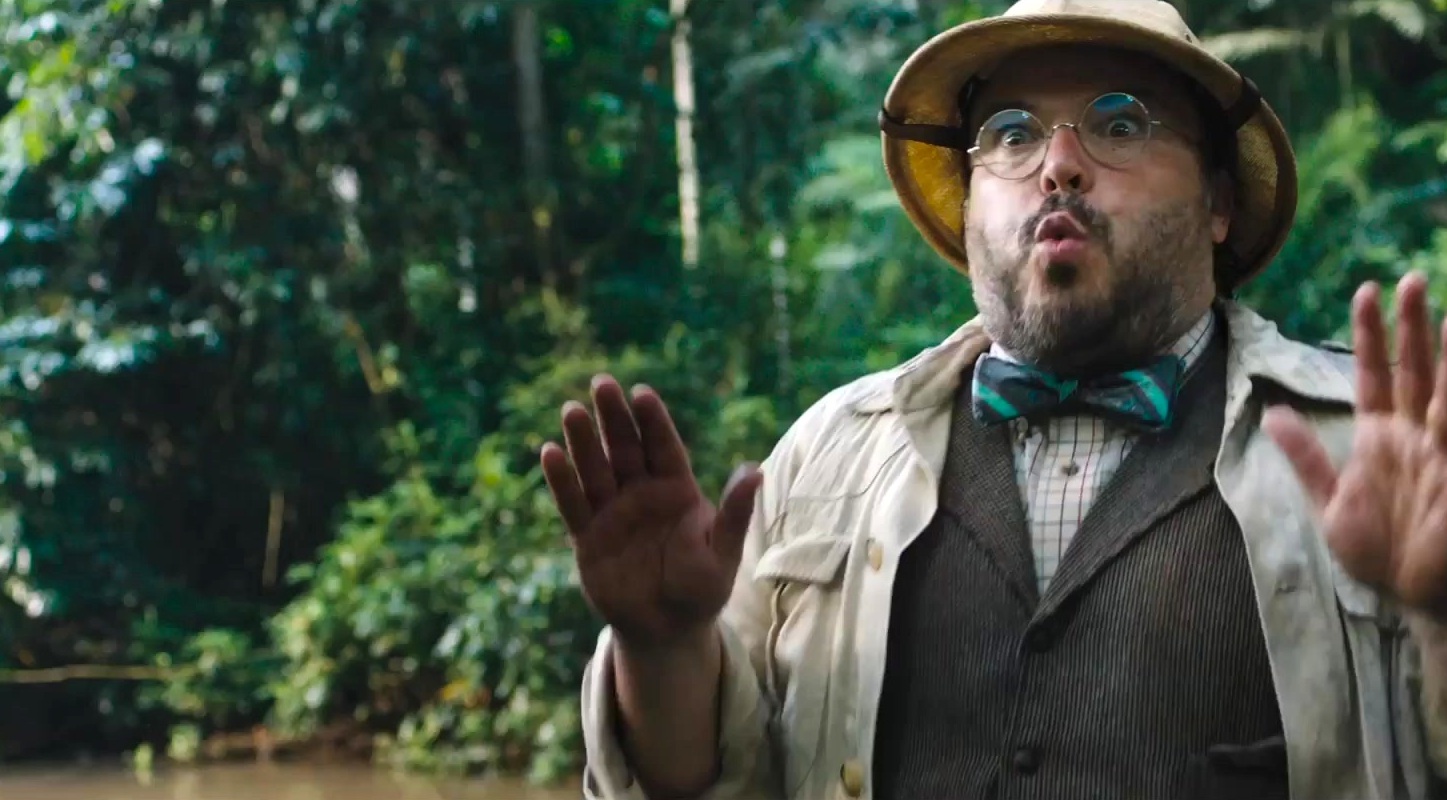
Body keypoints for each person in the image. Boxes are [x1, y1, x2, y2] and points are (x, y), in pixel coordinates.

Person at [541, 0, 1447, 797]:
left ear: (1217, 202)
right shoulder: (828, 460)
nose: (1057, 165)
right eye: (1011, 133)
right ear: (969, 199)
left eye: (1120, 123)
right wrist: (660, 648)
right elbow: (714, 781)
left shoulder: (1377, 451)